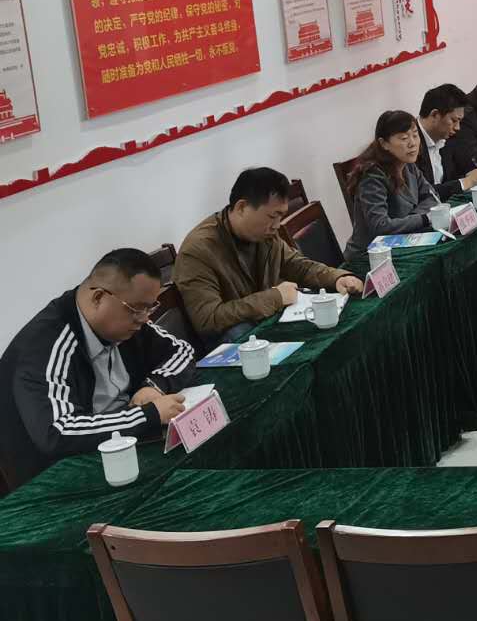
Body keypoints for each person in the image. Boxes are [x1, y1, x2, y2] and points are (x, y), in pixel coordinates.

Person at [0, 249, 195, 488]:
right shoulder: (45, 346)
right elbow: (58, 431)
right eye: (137, 309)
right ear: (98, 298)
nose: (144, 319)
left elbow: (182, 351)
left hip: (121, 444)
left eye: (150, 308)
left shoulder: (127, 322)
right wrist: (149, 415)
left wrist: (154, 386)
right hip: (59, 477)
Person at [175, 168, 364, 344]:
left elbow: (298, 266)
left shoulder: (264, 235)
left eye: (281, 217)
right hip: (235, 345)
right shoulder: (198, 250)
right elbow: (209, 319)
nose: (277, 225)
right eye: (273, 216)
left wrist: (337, 278)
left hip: (265, 325)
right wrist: (274, 298)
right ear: (241, 207)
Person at [342, 111, 436, 266]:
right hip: (370, 257)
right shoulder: (372, 177)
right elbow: (380, 226)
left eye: (415, 135)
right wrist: (423, 218)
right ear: (384, 144)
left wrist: (414, 218)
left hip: (404, 243)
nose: (412, 143)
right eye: (404, 138)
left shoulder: (408, 165)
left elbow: (432, 196)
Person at [415, 84, 477, 199]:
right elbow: (422, 193)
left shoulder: (448, 138)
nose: (458, 127)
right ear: (435, 115)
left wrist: (473, 174)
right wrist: (464, 182)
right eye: (454, 120)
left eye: (459, 121)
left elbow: (466, 167)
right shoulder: (411, 144)